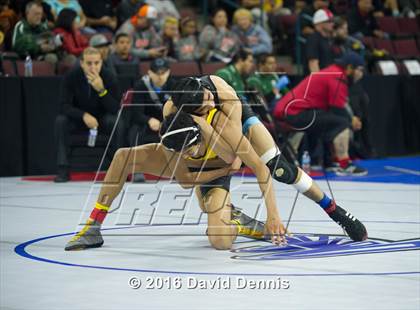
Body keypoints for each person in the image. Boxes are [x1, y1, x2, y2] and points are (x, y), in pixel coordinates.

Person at [162, 76, 368, 247]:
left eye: (207, 98)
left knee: (280, 170)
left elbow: (252, 164)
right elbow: (183, 165)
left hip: (236, 120)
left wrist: (273, 215)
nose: (209, 104)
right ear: (186, 112)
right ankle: (234, 216)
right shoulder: (172, 113)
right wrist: (202, 127)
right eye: (202, 108)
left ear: (205, 89)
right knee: (209, 207)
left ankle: (333, 209)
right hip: (206, 134)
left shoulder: (224, 98)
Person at [273, 52, 369, 176]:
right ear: (350, 68)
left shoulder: (333, 72)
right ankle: (345, 165)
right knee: (342, 123)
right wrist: (351, 120)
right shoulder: (337, 76)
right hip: (293, 113)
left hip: (291, 111)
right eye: (359, 70)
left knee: (325, 121)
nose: (361, 74)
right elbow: (338, 109)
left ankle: (323, 162)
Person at [54, 47, 125, 182]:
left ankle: (117, 170)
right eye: (89, 63)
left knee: (117, 122)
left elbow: (115, 108)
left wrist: (101, 90)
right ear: (81, 63)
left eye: (97, 63)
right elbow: (63, 106)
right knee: (60, 121)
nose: (93, 67)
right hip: (79, 118)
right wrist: (83, 115)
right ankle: (62, 169)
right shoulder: (71, 76)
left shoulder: (109, 76)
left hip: (102, 119)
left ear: (101, 63)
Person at [305, 8, 335, 73]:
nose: (332, 24)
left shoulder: (329, 39)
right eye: (329, 21)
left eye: (332, 21)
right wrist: (319, 81)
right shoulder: (313, 39)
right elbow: (313, 64)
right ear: (319, 23)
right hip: (320, 79)